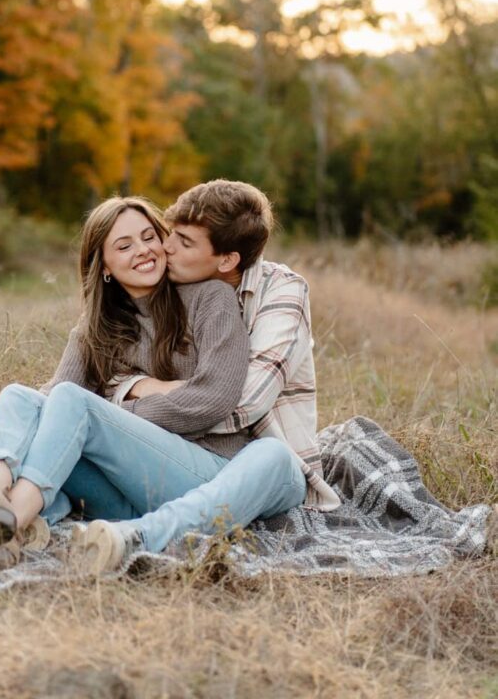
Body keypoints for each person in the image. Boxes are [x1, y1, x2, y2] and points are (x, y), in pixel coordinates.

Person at [0, 195, 307, 569]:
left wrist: (111, 412)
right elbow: (50, 406)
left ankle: (10, 521)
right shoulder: (93, 331)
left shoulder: (209, 298)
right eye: (125, 245)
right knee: (21, 398)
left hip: (204, 469)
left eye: (150, 236)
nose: (145, 249)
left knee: (73, 404)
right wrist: (92, 414)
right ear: (105, 266)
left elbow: (213, 399)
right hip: (127, 495)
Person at [71, 179, 340, 574]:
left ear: (227, 260)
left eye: (183, 241)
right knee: (71, 433)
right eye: (169, 233)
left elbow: (240, 403)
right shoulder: (171, 289)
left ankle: (139, 538)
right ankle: (24, 517)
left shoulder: (281, 293)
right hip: (181, 461)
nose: (164, 247)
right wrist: (134, 389)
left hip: (262, 463)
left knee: (269, 455)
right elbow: (98, 375)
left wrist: (116, 415)